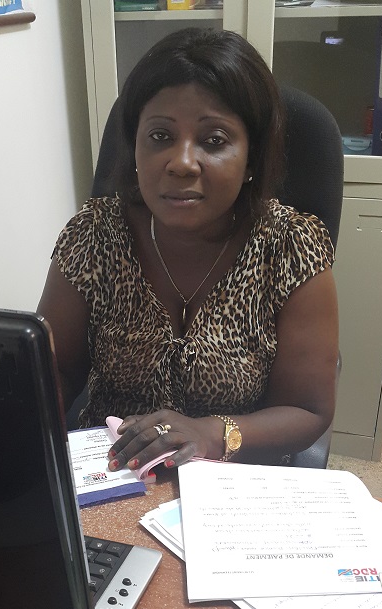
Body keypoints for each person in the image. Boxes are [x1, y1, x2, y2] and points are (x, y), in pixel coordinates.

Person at [37, 27, 338, 471]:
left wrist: (211, 433)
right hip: (114, 472)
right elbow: (53, 373)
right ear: (134, 147)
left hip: (233, 477)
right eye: (160, 136)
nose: (181, 163)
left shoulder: (292, 246)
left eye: (214, 141)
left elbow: (308, 410)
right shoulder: (95, 233)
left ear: (251, 158)